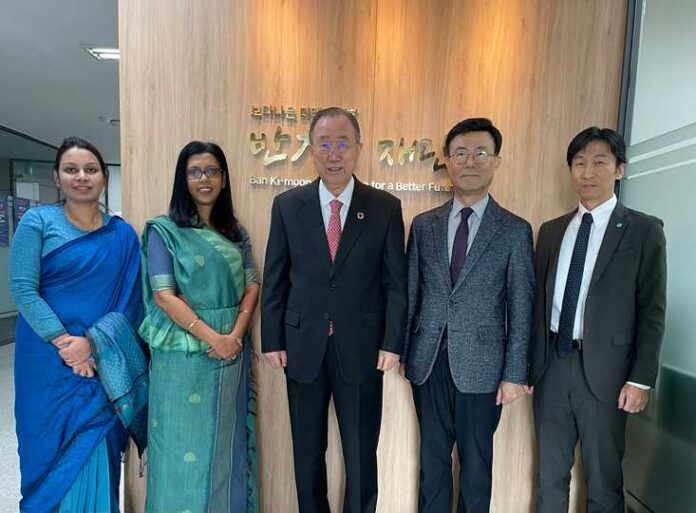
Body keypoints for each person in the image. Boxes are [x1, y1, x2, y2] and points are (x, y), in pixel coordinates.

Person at [261, 107, 407, 513]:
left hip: (362, 348)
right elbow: (275, 277)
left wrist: (392, 343)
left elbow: (395, 284)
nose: (334, 153)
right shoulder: (288, 205)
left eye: (343, 143)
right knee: (307, 453)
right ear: (311, 150)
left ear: (358, 148)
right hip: (301, 345)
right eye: (324, 144)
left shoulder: (384, 207)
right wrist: (272, 338)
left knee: (361, 454)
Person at [529, 127, 667, 512]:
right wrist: (529, 366)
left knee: (604, 481)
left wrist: (640, 379)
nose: (588, 172)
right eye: (579, 163)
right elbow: (538, 304)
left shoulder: (643, 230)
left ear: (619, 170)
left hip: (609, 374)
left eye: (599, 162)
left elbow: (652, 310)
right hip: (553, 366)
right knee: (549, 477)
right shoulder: (552, 231)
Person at [403, 118, 534, 513]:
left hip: (484, 366)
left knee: (476, 467)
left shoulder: (514, 230)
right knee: (432, 464)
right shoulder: (424, 225)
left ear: (496, 161)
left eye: (480, 153)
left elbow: (522, 305)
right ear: (447, 160)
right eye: (460, 153)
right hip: (428, 363)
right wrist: (404, 351)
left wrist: (515, 373)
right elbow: (411, 293)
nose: (470, 162)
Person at [10, 137, 147, 513]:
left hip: (103, 364)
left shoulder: (122, 235)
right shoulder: (38, 222)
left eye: (90, 169)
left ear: (104, 177)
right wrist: (66, 344)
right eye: (71, 170)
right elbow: (23, 288)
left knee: (97, 442)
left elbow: (132, 302)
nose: (81, 177)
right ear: (57, 177)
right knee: (45, 448)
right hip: (46, 362)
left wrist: (92, 345)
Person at [140, 140, 260, 513]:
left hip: (231, 352)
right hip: (183, 356)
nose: (204, 179)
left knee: (224, 445)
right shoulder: (164, 230)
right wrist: (214, 338)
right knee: (179, 447)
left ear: (223, 178)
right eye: (194, 172)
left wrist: (234, 336)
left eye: (212, 171)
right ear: (183, 179)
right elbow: (163, 295)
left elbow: (253, 285)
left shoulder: (236, 233)